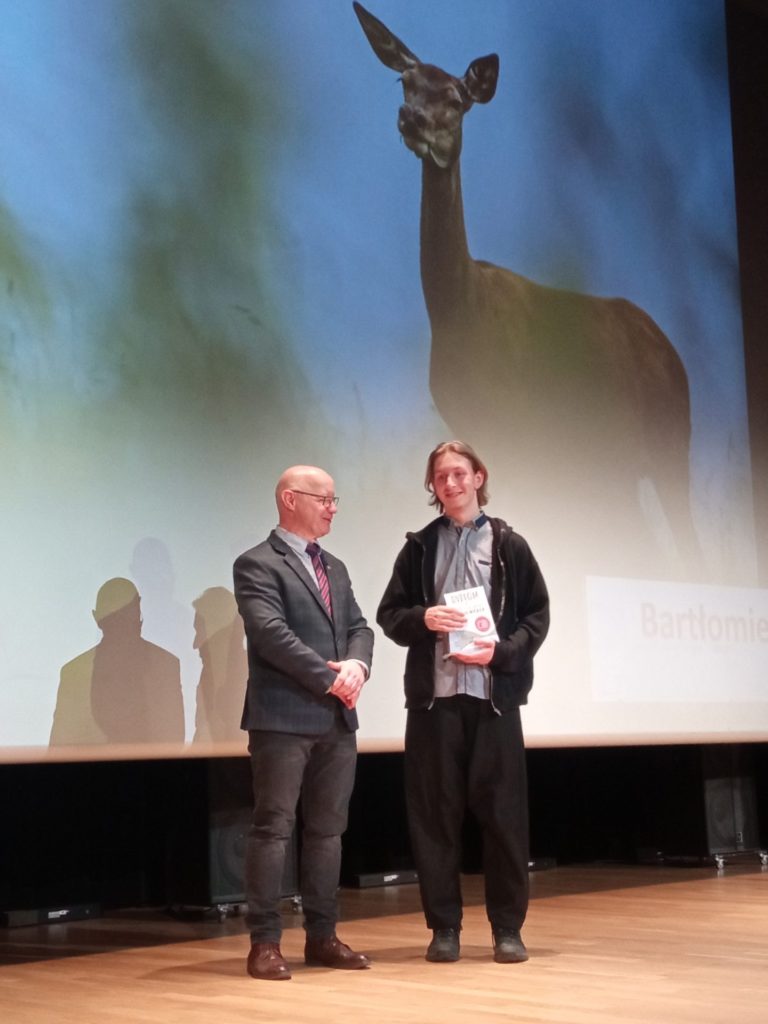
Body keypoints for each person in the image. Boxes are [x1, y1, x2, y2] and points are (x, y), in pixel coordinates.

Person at [377, 440, 549, 965]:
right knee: (434, 819)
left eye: (458, 473)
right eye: (440, 477)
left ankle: (507, 929)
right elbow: (390, 615)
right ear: (433, 486)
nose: (449, 484)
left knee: (504, 818)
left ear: (478, 477)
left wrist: (502, 653)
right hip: (435, 704)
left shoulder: (509, 545)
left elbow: (536, 617)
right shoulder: (418, 547)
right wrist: (423, 619)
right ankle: (444, 928)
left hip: (493, 701)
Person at [233, 465, 374, 981]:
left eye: (335, 500)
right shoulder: (256, 563)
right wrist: (329, 678)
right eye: (325, 499)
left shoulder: (334, 566)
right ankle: (265, 943)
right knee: (273, 829)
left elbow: (359, 627)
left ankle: (322, 936)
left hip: (337, 719)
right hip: (282, 718)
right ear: (291, 499)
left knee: (328, 831)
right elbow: (270, 634)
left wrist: (357, 666)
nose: (333, 508)